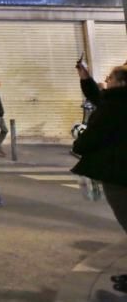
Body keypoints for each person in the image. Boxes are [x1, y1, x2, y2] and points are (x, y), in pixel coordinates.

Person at [73, 63, 127, 291]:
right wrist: (85, 78)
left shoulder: (116, 105)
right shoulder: (116, 101)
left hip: (119, 173)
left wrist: (79, 144)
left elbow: (95, 134)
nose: (107, 80)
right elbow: (99, 98)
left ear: (122, 83)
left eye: (111, 78)